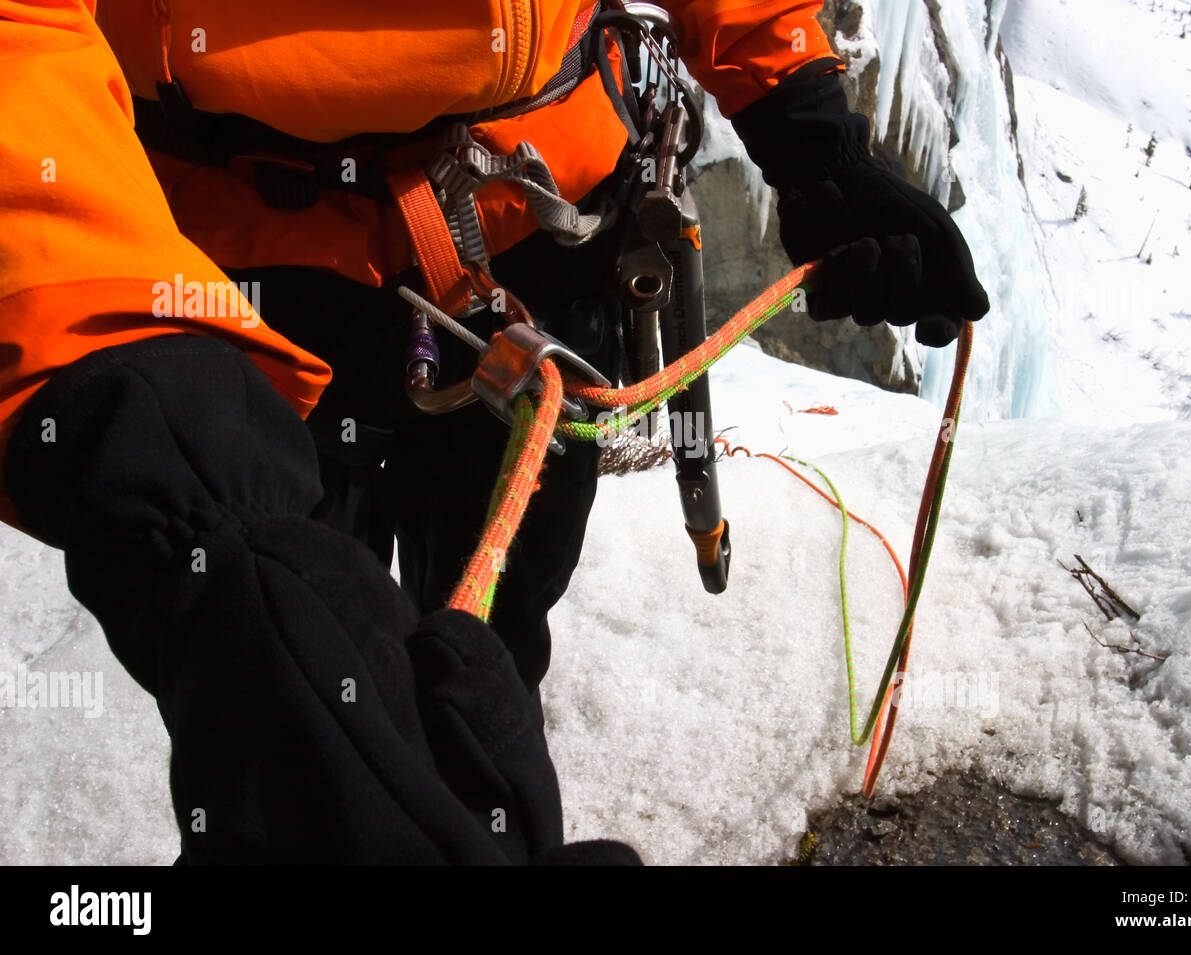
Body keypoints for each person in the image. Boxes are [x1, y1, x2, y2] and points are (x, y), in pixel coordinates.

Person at [0, 0, 988, 864]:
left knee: (472, 647)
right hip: (244, 262)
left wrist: (803, 118)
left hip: (530, 228)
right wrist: (137, 412)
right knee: (304, 680)